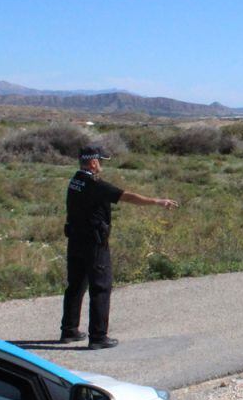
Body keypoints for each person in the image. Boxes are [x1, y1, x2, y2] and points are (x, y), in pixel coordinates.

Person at [60, 145, 179, 349]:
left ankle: (69, 331)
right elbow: (127, 196)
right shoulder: (94, 184)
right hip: (94, 243)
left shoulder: (75, 181)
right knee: (101, 287)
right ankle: (98, 337)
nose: (102, 165)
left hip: (75, 241)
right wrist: (158, 201)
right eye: (101, 161)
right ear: (93, 162)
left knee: (76, 285)